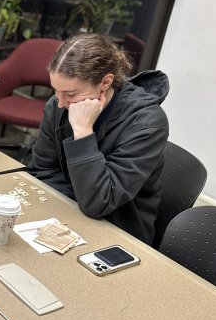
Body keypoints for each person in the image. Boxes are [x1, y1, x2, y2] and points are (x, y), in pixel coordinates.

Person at [27, 33, 169, 245]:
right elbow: (41, 170)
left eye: (71, 94)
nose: (60, 103)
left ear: (105, 82)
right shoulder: (59, 106)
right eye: (56, 91)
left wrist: (83, 131)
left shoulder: (147, 124)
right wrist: (76, 200)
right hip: (67, 215)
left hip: (118, 232)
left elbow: (100, 202)